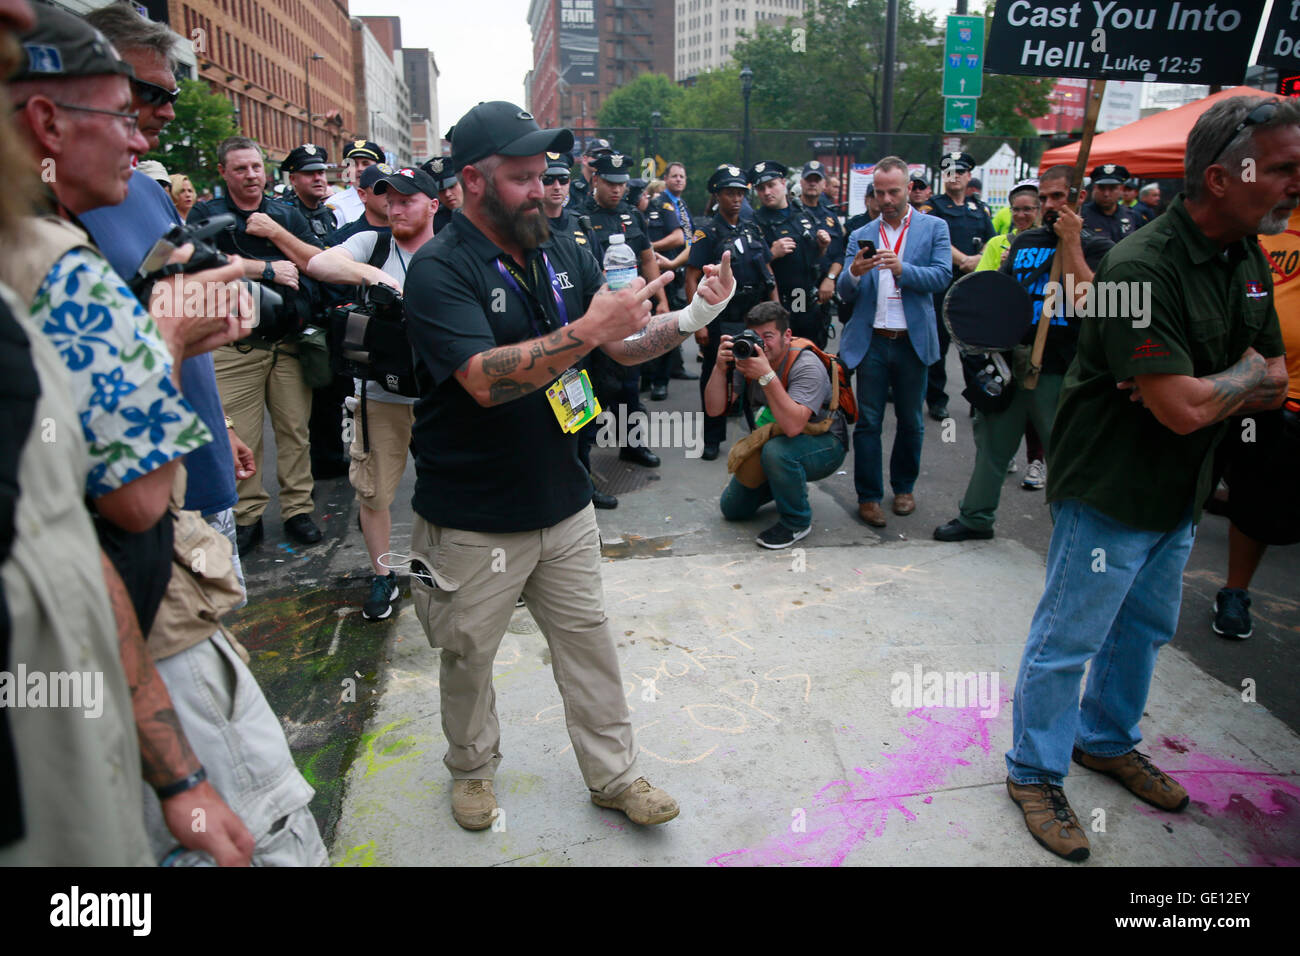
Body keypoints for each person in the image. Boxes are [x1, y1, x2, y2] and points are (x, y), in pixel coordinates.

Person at [401, 100, 737, 830]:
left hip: (565, 501)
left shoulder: (562, 249)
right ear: (472, 182)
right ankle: (471, 770)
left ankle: (615, 777)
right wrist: (587, 329)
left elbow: (620, 343)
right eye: (521, 177)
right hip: (473, 516)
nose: (541, 189)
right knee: (468, 659)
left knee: (589, 646)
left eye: (545, 174)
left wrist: (692, 318)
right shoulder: (437, 269)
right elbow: (485, 378)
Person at [1004, 96, 1294, 862]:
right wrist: (1214, 388)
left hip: (1182, 492)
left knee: (1145, 630)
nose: (1295, 184)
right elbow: (1182, 409)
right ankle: (1034, 772)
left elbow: (1275, 374)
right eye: (1283, 169)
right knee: (1069, 638)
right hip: (1111, 492)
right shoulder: (1140, 268)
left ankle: (1105, 741)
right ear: (1224, 175)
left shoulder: (1248, 257)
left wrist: (1206, 386)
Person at [4, 0, 258, 865]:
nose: (147, 135)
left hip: (113, 605)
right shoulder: (56, 264)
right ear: (45, 120)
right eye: (129, 109)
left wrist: (207, 419)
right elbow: (137, 496)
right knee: (259, 823)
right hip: (114, 608)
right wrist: (169, 335)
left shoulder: (80, 222)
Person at [933, 167, 1112, 542]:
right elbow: (1004, 296)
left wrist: (1073, 243)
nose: (1048, 206)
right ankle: (976, 518)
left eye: (1057, 197)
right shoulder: (1026, 241)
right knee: (993, 448)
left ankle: (1074, 535)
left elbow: (1094, 302)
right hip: (1013, 361)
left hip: (1061, 370)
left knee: (1065, 458)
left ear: (1077, 197)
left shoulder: (1097, 245)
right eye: (1043, 198)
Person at [307, 167, 438, 621]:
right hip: (380, 393)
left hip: (442, 395)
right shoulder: (373, 243)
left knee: (448, 488)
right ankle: (383, 576)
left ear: (433, 205)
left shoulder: (452, 250)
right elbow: (319, 264)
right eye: (389, 200)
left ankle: (436, 568)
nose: (395, 207)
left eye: (407, 199)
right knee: (374, 492)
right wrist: (372, 276)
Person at [190, 136, 326, 555]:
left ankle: (298, 510)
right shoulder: (206, 216)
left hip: (287, 342)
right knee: (243, 436)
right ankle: (248, 516)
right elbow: (194, 267)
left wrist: (275, 231)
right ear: (223, 173)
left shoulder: (285, 214)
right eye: (240, 169)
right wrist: (260, 269)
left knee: (294, 432)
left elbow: (315, 261)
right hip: (236, 346)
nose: (251, 175)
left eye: (255, 167)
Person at [837, 155, 952, 528]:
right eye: (880, 192)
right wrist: (853, 273)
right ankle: (868, 497)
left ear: (908, 188)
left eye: (894, 192)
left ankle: (904, 487)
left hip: (911, 340)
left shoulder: (934, 227)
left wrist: (904, 270)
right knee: (868, 421)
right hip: (871, 339)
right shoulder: (860, 234)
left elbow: (942, 277)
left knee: (911, 420)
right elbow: (844, 292)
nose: (886, 200)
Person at [1209, 202, 1300, 638]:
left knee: (1266, 503)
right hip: (1239, 388)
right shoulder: (1256, 220)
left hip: (1284, 391)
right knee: (1247, 498)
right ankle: (1233, 590)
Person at [708, 301, 847, 548]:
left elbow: (794, 427)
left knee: (778, 453)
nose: (761, 344)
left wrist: (766, 376)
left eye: (768, 336)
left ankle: (797, 522)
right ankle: (784, 483)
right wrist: (719, 368)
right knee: (732, 508)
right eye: (755, 337)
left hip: (824, 442)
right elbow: (714, 409)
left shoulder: (805, 365)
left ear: (787, 335)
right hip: (777, 435)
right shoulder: (749, 357)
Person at [575, 151, 668, 469]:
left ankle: (633, 445)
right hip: (594, 320)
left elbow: (647, 258)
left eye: (622, 184)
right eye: (611, 183)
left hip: (630, 318)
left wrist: (662, 300)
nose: (617, 190)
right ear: (596, 180)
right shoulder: (579, 217)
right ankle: (581, 465)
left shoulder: (632, 215)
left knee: (630, 385)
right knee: (592, 389)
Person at [539, 151, 617, 509]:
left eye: (562, 180)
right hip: (538, 348)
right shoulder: (525, 232)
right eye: (548, 179)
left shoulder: (581, 226)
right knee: (543, 431)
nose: (556, 186)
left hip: (581, 343)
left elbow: (599, 280)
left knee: (581, 424)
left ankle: (583, 486)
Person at [686, 163, 777, 460]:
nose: (737, 199)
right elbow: (692, 276)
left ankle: (760, 434)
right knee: (716, 372)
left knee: (758, 375)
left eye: (740, 193)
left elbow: (767, 269)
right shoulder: (707, 231)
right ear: (718, 195)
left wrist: (777, 309)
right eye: (730, 193)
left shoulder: (752, 228)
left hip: (754, 314)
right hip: (719, 316)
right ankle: (712, 438)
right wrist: (697, 322)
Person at [973, 178, 1049, 484]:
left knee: (1034, 405)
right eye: (1016, 209)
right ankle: (1003, 457)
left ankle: (1036, 462)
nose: (1021, 215)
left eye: (1028, 209)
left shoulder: (1049, 244)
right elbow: (980, 284)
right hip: (1003, 335)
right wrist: (1003, 268)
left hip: (1039, 336)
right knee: (1002, 399)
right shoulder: (997, 244)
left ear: (1040, 210)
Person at [926, 151, 995, 421]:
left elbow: (992, 238)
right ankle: (936, 399)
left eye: (959, 171)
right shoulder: (933, 207)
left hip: (970, 283)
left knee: (973, 345)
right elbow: (935, 239)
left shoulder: (979, 208)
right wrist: (964, 259)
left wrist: (979, 259)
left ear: (968, 176)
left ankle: (977, 398)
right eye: (948, 171)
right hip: (943, 282)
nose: (953, 176)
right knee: (939, 345)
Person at [749, 160, 830, 348]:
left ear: (783, 184)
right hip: (777, 302)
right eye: (761, 188)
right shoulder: (755, 223)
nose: (767, 192)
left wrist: (823, 245)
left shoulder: (802, 213)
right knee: (782, 357)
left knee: (808, 352)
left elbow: (815, 257)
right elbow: (751, 266)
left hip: (804, 298)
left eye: (771, 185)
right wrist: (772, 253)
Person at [798, 160, 847, 336]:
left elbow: (840, 256)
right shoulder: (792, 214)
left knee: (818, 340)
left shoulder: (831, 219)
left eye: (816, 180)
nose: (812, 183)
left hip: (822, 291)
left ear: (823, 185)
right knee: (795, 337)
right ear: (802, 182)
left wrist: (830, 279)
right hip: (798, 290)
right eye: (808, 179)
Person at [279, 142, 338, 242]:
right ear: (293, 179)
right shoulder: (283, 214)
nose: (317, 178)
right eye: (309, 173)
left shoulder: (328, 213)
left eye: (321, 173)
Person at [325, 161, 391, 245]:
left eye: (393, 191)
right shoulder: (343, 238)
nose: (389, 196)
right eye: (381, 190)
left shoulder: (407, 232)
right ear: (362, 195)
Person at [1081, 162, 1143, 244]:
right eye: (1102, 188)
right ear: (1094, 188)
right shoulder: (1081, 216)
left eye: (1112, 188)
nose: (1106, 194)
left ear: (1121, 190)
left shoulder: (1133, 216)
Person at [568, 137, 612, 207]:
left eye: (606, 157)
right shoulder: (572, 190)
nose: (602, 160)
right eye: (598, 156)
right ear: (585, 159)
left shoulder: (612, 190)